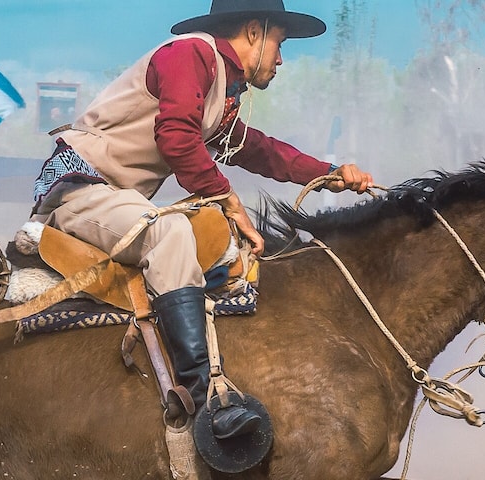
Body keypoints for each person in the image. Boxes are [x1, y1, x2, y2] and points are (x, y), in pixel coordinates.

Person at [28, 0, 375, 441]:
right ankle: (204, 399)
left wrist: (326, 173)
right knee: (170, 233)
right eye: (279, 43)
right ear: (253, 30)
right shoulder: (188, 55)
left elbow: (257, 149)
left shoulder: (219, 87)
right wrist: (229, 200)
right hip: (80, 191)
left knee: (210, 234)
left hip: (112, 198)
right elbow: (176, 138)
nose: (281, 59)